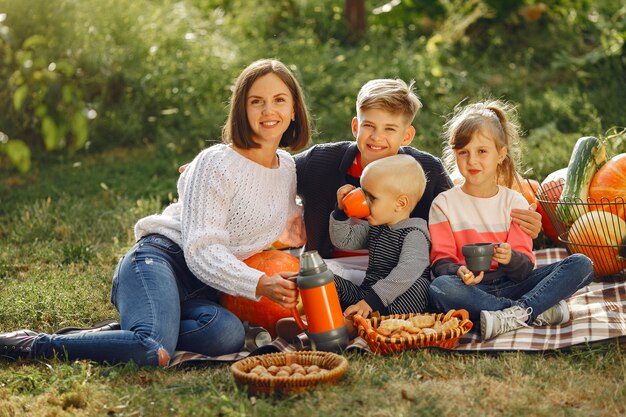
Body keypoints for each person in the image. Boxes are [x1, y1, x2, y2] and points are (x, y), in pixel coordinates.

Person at [0, 59, 311, 366]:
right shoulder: (216, 162)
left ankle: (122, 333)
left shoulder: (286, 170)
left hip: (204, 290)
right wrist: (260, 284)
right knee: (151, 349)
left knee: (226, 335)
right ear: (242, 110)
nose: (269, 110)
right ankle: (32, 344)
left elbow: (294, 227)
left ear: (294, 109)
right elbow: (202, 251)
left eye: (279, 100)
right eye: (256, 101)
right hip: (159, 261)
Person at [294, 79, 542, 262]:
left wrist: (520, 224)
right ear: (356, 126)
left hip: (399, 273)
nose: (377, 137)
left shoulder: (428, 170)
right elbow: (275, 168)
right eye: (369, 125)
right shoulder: (320, 161)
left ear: (407, 135)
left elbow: (461, 210)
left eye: (390, 129)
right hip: (333, 268)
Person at [427, 99, 593, 340]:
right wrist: (459, 270)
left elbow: (524, 269)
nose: (472, 160)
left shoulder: (514, 202)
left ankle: (508, 314)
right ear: (455, 154)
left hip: (516, 284)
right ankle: (533, 310)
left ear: (501, 154)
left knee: (581, 264)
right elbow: (440, 262)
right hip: (472, 288)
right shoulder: (444, 204)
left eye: (482, 151)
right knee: (440, 287)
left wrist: (511, 258)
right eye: (464, 152)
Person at [330, 155, 432, 318]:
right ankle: (326, 319)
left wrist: (372, 302)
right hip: (366, 296)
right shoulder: (376, 227)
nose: (364, 201)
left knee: (420, 287)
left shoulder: (414, 233)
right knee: (325, 280)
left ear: (400, 203)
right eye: (362, 193)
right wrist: (341, 212)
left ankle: (364, 321)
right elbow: (344, 240)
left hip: (394, 301)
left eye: (371, 197)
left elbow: (407, 271)